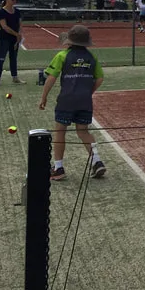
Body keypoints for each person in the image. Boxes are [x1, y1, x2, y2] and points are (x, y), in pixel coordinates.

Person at [38, 24, 106, 180]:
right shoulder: (92, 57)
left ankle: (59, 167)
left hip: (66, 100)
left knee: (60, 131)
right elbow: (100, 78)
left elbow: (51, 77)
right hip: (85, 100)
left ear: (70, 41)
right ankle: (97, 162)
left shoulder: (62, 55)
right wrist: (88, 92)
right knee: (83, 131)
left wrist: (44, 97)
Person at [0, 0, 25, 87]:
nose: (14, 1)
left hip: (14, 39)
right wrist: (16, 34)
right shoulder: (2, 12)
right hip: (4, 38)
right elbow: (5, 27)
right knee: (1, 57)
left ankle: (15, 77)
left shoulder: (17, 11)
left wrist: (19, 35)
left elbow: (20, 24)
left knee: (13, 58)